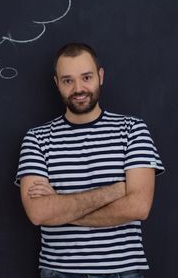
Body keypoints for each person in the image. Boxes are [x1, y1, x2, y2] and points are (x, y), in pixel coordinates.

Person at [16, 43, 164, 277]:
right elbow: (38, 213)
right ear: (57, 84)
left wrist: (60, 207)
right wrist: (115, 191)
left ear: (100, 76)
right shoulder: (36, 139)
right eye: (68, 80)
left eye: (86, 77)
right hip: (60, 272)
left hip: (123, 271)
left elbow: (139, 207)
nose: (78, 88)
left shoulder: (133, 130)